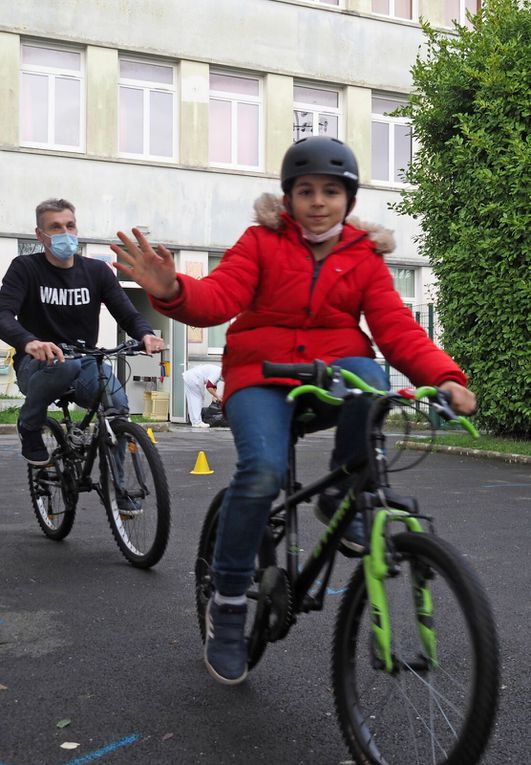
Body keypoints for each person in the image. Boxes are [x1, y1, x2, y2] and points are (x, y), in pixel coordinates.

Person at [111, 136, 476, 686]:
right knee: (260, 476)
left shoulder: (364, 258)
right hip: (261, 376)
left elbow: (397, 331)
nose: (319, 201)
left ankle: (344, 496)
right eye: (305, 190)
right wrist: (173, 291)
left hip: (333, 376)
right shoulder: (261, 242)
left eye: (331, 190)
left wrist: (445, 379)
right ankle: (229, 604)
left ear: (348, 198)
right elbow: (218, 297)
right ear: (289, 197)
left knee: (373, 377)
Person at [0, 198, 165, 479]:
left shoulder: (97, 271)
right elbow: (3, 314)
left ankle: (118, 486)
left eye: (70, 225)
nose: (65, 233)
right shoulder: (25, 268)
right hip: (37, 365)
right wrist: (28, 341)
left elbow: (127, 313)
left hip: (85, 361)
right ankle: (29, 424)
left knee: (117, 407)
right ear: (40, 235)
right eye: (55, 227)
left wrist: (146, 334)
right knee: (67, 364)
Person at [182, 363, 222, 427]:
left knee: (192, 399)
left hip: (189, 376)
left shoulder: (219, 373)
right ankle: (197, 422)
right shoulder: (218, 373)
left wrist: (215, 396)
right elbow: (209, 387)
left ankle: (194, 422)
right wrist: (217, 396)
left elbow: (213, 386)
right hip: (194, 378)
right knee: (197, 399)